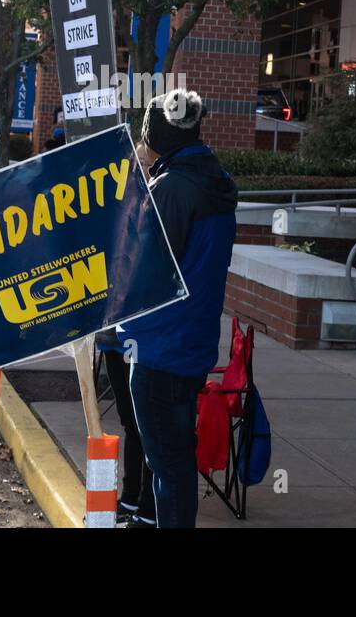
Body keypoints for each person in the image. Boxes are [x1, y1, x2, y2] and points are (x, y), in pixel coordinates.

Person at [116, 89, 238, 528]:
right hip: (191, 344)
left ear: (160, 136)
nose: (142, 146)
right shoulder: (213, 181)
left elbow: (137, 267)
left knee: (168, 466)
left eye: (146, 137)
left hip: (159, 347)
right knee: (174, 459)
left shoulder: (171, 190)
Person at [95, 329, 157, 527]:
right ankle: (130, 499)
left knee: (145, 426)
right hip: (109, 339)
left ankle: (148, 508)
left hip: (136, 340)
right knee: (130, 423)